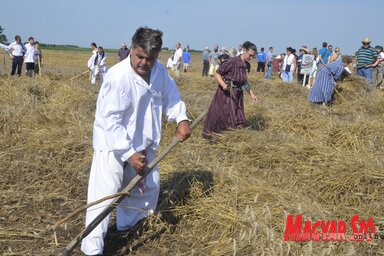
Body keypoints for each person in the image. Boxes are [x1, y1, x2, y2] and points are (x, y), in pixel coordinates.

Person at [81, 27, 191, 256]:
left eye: (149, 58)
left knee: (146, 188)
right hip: (112, 146)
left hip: (144, 142)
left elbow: (172, 96)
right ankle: (92, 249)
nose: (144, 63)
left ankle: (128, 226)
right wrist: (128, 153)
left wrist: (181, 118)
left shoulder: (159, 72)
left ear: (157, 56)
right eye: (140, 56)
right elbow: (111, 121)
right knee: (104, 196)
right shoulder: (117, 77)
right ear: (131, 50)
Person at [202, 41, 258, 140]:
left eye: (253, 56)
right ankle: (220, 138)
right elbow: (217, 73)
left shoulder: (246, 65)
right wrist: (223, 85)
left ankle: (234, 138)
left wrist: (251, 94)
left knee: (239, 117)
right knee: (227, 117)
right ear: (244, 50)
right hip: (226, 94)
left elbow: (244, 82)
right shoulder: (232, 61)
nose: (251, 58)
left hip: (238, 95)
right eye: (250, 55)